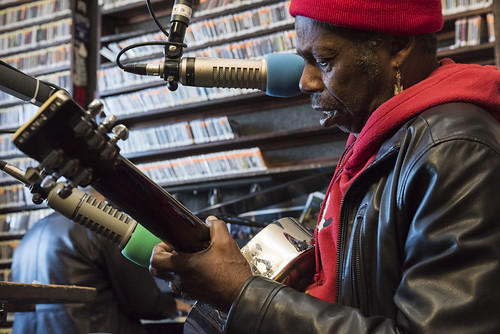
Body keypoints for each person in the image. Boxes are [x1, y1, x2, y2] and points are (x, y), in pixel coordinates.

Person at [149, 0, 500, 332]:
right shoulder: (377, 140)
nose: (305, 82)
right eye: (304, 60)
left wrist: (240, 293)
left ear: (396, 47)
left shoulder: (456, 149)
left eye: (324, 60)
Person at [11, 188, 192, 334]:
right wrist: (173, 305)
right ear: (101, 198)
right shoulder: (100, 226)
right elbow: (141, 301)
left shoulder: (30, 234)